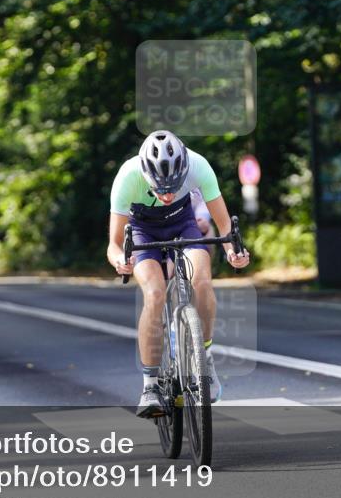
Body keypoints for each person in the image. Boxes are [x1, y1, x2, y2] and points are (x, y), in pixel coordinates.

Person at [106, 130, 250, 418]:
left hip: (184, 224)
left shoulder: (199, 166)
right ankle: (150, 386)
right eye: (160, 188)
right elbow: (113, 244)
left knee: (202, 280)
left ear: (185, 168)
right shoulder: (127, 176)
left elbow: (224, 228)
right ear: (145, 174)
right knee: (155, 293)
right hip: (143, 230)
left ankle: (204, 359)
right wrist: (119, 260)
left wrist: (234, 251)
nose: (168, 194)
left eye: (174, 185)